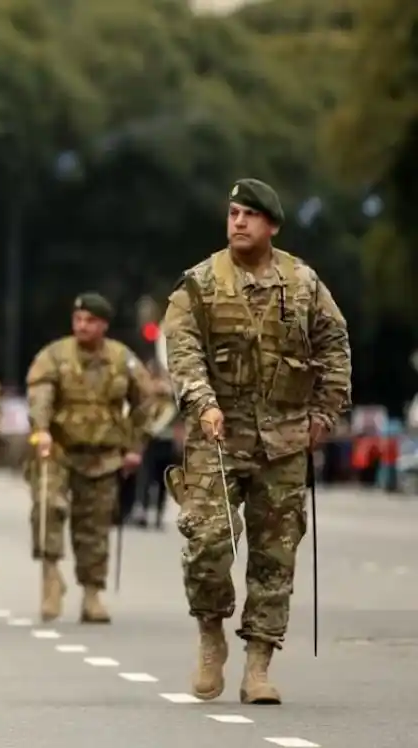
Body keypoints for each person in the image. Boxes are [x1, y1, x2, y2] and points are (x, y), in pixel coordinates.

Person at [161, 178, 351, 704]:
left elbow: (335, 344)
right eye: (233, 213)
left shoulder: (304, 283)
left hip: (284, 442)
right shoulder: (199, 283)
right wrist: (204, 404)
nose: (238, 221)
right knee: (207, 543)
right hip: (217, 437)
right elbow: (182, 352)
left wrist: (325, 412)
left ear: (271, 225)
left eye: (249, 214)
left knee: (276, 555)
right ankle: (209, 634)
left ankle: (259, 666)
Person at [26, 292, 159, 624]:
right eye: (78, 320)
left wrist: (134, 446)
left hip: (102, 455)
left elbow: (145, 401)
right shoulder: (54, 356)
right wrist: (41, 430)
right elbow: (40, 395)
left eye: (90, 321)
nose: (82, 326)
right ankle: (51, 576)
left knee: (95, 525)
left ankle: (92, 594)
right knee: (47, 507)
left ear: (103, 325)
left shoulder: (121, 359)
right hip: (57, 450)